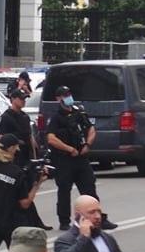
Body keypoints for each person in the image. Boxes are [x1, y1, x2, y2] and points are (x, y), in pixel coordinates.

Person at [45, 86, 117, 231]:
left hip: (81, 157)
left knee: (90, 188)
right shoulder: (56, 118)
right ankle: (64, 221)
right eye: (64, 95)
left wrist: (88, 144)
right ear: (58, 99)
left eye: (69, 94)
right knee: (64, 190)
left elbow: (91, 129)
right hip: (64, 159)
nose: (68, 97)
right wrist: (68, 149)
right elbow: (51, 139)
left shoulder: (79, 113)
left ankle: (99, 219)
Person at [0, 89, 51, 230]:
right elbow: (0, 139)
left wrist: (35, 157)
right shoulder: (6, 118)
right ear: (12, 99)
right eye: (21, 98)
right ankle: (32, 221)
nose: (23, 101)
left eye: (25, 98)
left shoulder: (25, 117)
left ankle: (31, 220)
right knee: (21, 191)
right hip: (13, 159)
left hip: (26, 159)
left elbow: (30, 138)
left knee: (25, 189)